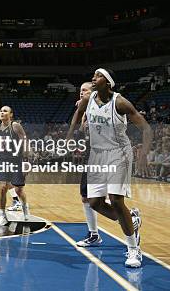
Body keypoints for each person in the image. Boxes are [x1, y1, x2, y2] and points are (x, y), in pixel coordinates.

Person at [67, 68, 152, 268]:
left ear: (108, 82)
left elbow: (146, 128)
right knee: (94, 202)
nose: (93, 78)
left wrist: (144, 155)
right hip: (97, 154)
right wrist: (69, 135)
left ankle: (133, 249)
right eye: (93, 75)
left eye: (98, 76)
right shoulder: (88, 100)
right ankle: (131, 219)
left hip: (118, 153)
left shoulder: (120, 102)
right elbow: (77, 114)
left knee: (115, 199)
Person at [73, 82, 102, 248]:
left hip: (104, 154)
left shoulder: (100, 106)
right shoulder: (86, 111)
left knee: (105, 198)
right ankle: (94, 234)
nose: (81, 93)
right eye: (80, 90)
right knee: (86, 196)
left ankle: (129, 218)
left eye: (84, 90)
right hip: (90, 154)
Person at [0, 106, 30, 226]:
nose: (2, 112)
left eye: (5, 111)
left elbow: (25, 140)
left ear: (11, 114)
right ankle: (2, 215)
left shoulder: (15, 126)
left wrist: (26, 161)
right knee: (3, 188)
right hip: (4, 161)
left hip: (17, 160)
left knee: (18, 190)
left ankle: (25, 206)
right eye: (0, 111)